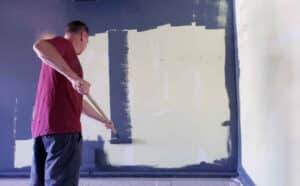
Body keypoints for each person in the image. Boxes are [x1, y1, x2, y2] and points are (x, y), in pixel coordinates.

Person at [30, 20, 113, 186]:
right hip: (64, 132)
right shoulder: (64, 45)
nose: (86, 46)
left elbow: (78, 102)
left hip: (43, 131)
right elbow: (39, 46)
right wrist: (74, 77)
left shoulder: (60, 61)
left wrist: (102, 119)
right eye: (87, 42)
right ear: (83, 36)